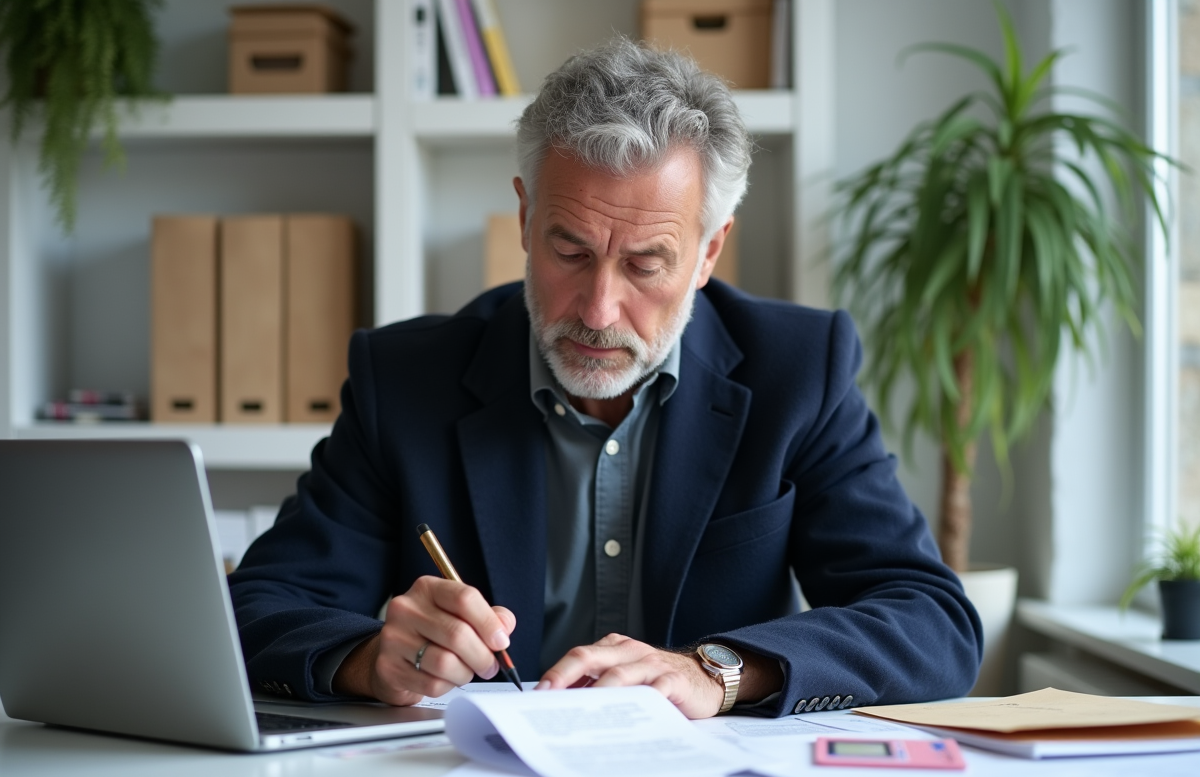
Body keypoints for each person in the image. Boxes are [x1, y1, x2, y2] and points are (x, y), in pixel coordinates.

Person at [229, 38, 981, 720]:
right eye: (570, 250)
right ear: (526, 221)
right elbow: (256, 607)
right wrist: (369, 658)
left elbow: (931, 622)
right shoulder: (404, 380)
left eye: (645, 264)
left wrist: (715, 670)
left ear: (709, 250)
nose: (597, 308)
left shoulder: (798, 371)